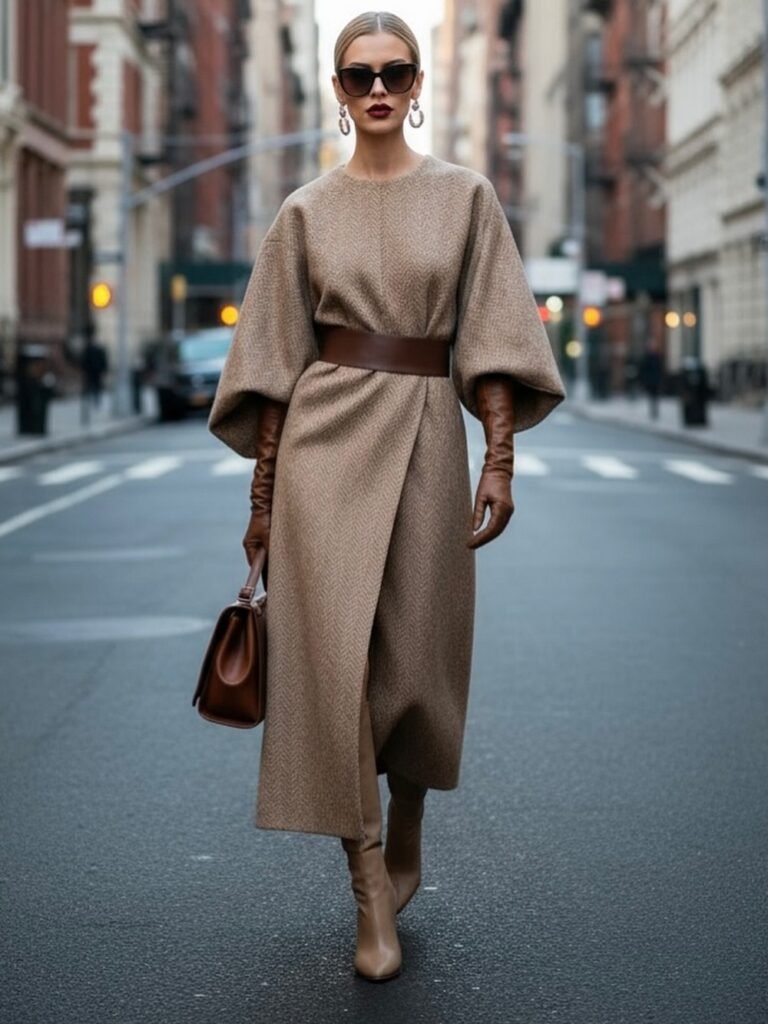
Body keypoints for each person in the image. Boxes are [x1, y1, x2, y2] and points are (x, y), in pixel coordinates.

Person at [209, 11, 565, 982]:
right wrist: (262, 497)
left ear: (416, 88)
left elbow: (492, 337)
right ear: (336, 89)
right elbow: (273, 368)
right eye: (358, 73)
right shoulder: (302, 214)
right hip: (321, 447)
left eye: (395, 72)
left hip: (423, 440)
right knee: (332, 676)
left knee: (415, 664)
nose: (377, 88)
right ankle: (368, 885)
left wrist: (498, 456)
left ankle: (407, 811)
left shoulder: (466, 199)